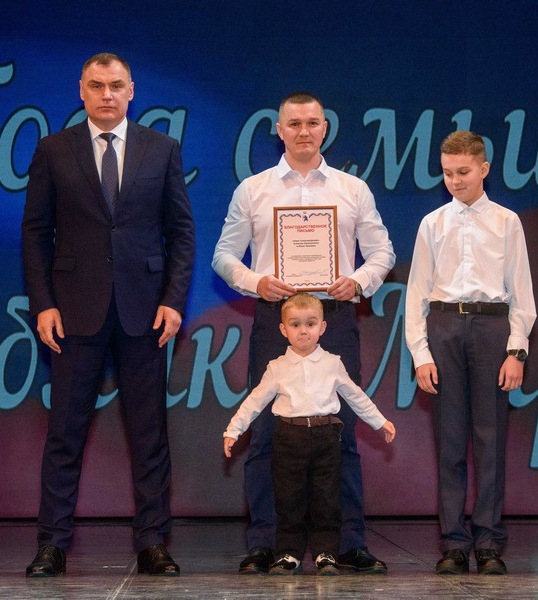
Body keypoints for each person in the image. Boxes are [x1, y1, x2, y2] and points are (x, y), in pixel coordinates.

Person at [21, 53, 195, 577]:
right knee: (64, 433)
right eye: (96, 85)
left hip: (146, 311)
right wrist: (44, 303)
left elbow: (181, 232)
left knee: (149, 434)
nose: (107, 94)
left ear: (131, 90)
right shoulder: (53, 150)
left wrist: (173, 300)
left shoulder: (161, 149)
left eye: (116, 85)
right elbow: (36, 234)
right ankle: (52, 544)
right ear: (81, 90)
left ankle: (152, 543)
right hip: (74, 312)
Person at [212, 92, 395, 574]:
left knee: (343, 431)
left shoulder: (352, 189)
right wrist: (257, 282)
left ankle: (347, 543)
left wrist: (358, 281)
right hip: (277, 319)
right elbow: (224, 256)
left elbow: (382, 253)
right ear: (279, 130)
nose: (304, 131)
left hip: (335, 318)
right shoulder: (253, 190)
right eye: (294, 124)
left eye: (312, 122)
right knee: (266, 433)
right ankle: (266, 543)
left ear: (325, 128)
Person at [405, 130, 537, 576]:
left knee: (490, 438)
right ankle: (454, 543)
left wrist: (516, 350)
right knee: (449, 441)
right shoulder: (433, 223)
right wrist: (421, 353)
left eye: (463, 172)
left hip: (491, 327)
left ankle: (489, 541)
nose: (455, 180)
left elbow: (521, 291)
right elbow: (417, 293)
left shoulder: (507, 221)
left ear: (484, 168)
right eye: (447, 173)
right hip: (444, 327)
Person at [223, 294, 396, 576]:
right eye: (295, 324)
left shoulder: (333, 363)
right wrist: (233, 429)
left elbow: (355, 396)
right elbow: (255, 401)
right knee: (288, 498)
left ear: (322, 327)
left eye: (310, 324)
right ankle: (288, 553)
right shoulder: (277, 367)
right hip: (288, 438)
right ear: (283, 330)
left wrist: (380, 421)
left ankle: (326, 554)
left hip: (326, 437)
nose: (303, 331)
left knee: (326, 498)